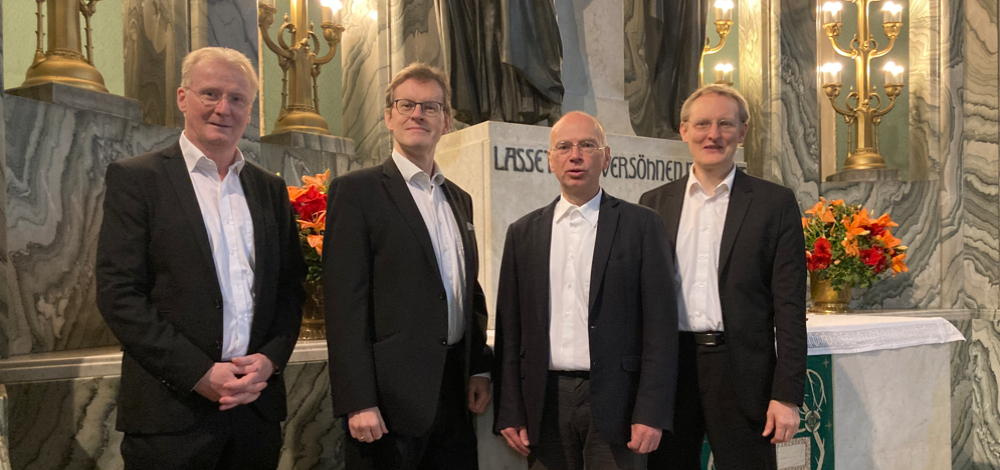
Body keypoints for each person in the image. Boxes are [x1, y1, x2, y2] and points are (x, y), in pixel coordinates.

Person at [96, 47, 306, 469]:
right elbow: (119, 293)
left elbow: (290, 290)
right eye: (210, 94)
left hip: (254, 411)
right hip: (171, 414)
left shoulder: (269, 189)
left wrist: (270, 360)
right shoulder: (138, 180)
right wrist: (198, 373)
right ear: (182, 97)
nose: (223, 108)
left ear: (250, 110)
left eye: (237, 99)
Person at [323, 62, 493, 470]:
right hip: (388, 402)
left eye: (430, 107)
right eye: (406, 104)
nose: (417, 114)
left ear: (446, 122)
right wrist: (358, 400)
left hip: (454, 393)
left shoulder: (459, 198)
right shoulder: (356, 192)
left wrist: (480, 369)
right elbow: (344, 305)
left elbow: (467, 288)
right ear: (388, 116)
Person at [493, 111, 678, 470]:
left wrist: (651, 411)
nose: (575, 155)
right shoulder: (523, 232)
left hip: (618, 404)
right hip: (545, 403)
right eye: (563, 146)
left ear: (606, 157)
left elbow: (660, 328)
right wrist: (510, 409)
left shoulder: (641, 226)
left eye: (587, 145)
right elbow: (510, 331)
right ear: (550, 160)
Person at [639, 84, 807, 470]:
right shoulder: (654, 203)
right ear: (683, 130)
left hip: (742, 371)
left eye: (725, 124)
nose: (712, 135)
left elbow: (790, 307)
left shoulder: (773, 203)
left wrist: (786, 395)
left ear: (743, 132)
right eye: (702, 124)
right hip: (671, 370)